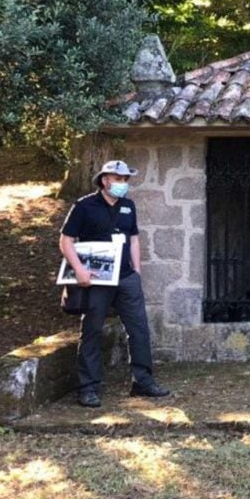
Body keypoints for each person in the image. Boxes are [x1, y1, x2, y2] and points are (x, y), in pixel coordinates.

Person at [60, 159, 169, 408]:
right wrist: (79, 270)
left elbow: (133, 240)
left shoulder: (129, 206)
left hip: (127, 279)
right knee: (92, 331)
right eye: (118, 179)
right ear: (104, 180)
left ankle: (143, 382)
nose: (122, 183)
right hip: (97, 281)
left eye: (125, 179)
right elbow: (66, 241)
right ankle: (88, 388)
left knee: (139, 329)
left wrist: (137, 272)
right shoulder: (84, 206)